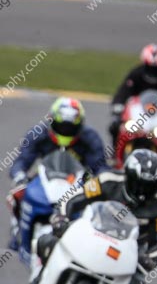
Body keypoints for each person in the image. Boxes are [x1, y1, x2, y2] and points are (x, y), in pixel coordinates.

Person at [28, 149, 157, 284]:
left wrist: (149, 258)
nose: (142, 192)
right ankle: (38, 281)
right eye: (139, 185)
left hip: (129, 250)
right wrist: (62, 218)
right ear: (128, 175)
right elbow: (74, 199)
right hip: (91, 231)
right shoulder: (107, 179)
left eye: (149, 186)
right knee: (45, 241)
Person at [8, 97, 106, 250]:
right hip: (43, 179)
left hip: (77, 182)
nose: (65, 131)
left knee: (99, 204)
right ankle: (18, 234)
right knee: (17, 194)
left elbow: (100, 167)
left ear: (80, 125)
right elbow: (21, 161)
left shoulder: (91, 138)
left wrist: (99, 181)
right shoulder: (38, 133)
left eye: (70, 127)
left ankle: (92, 243)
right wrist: (19, 175)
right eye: (61, 126)